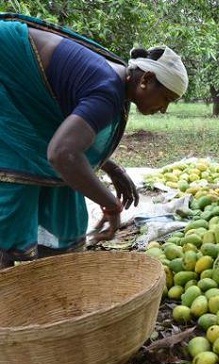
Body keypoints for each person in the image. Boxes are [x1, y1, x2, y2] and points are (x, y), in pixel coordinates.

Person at [0, 13, 188, 268]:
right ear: (146, 80)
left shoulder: (116, 80)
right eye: (166, 98)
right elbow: (62, 154)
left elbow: (69, 132)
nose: (164, 109)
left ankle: (43, 278)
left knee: (62, 184)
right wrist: (110, 204)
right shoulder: (108, 91)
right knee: (17, 183)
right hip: (6, 72)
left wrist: (110, 166)